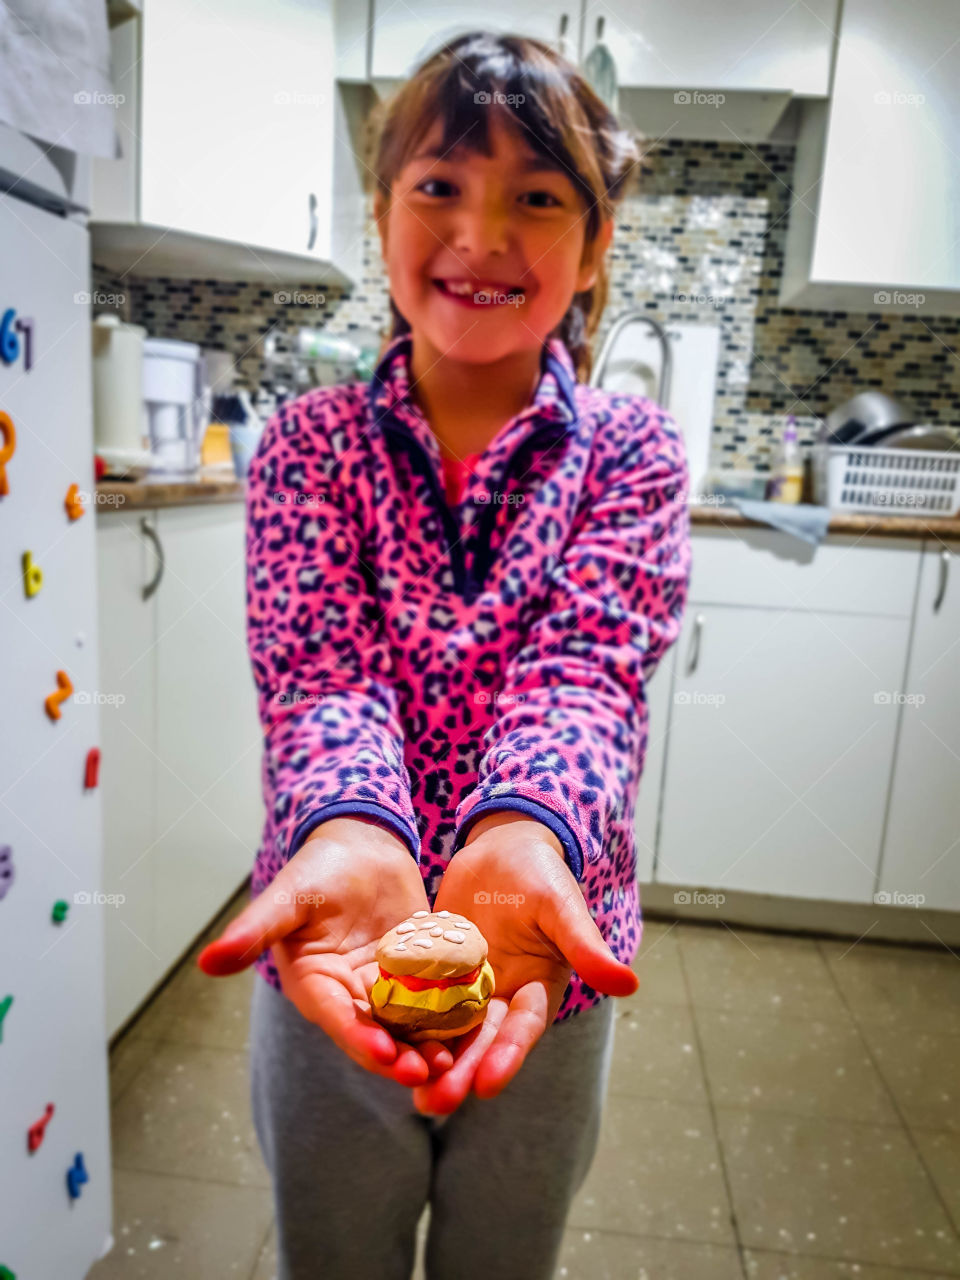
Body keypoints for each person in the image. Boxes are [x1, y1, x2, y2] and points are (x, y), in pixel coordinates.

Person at [198, 29, 692, 1280]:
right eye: (438, 187)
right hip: (336, 947)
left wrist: (520, 829)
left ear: (594, 243)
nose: (480, 233)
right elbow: (324, 678)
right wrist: (354, 828)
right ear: (380, 214)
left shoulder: (630, 457)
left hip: (545, 963)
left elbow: (582, 678)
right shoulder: (309, 447)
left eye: (535, 196)